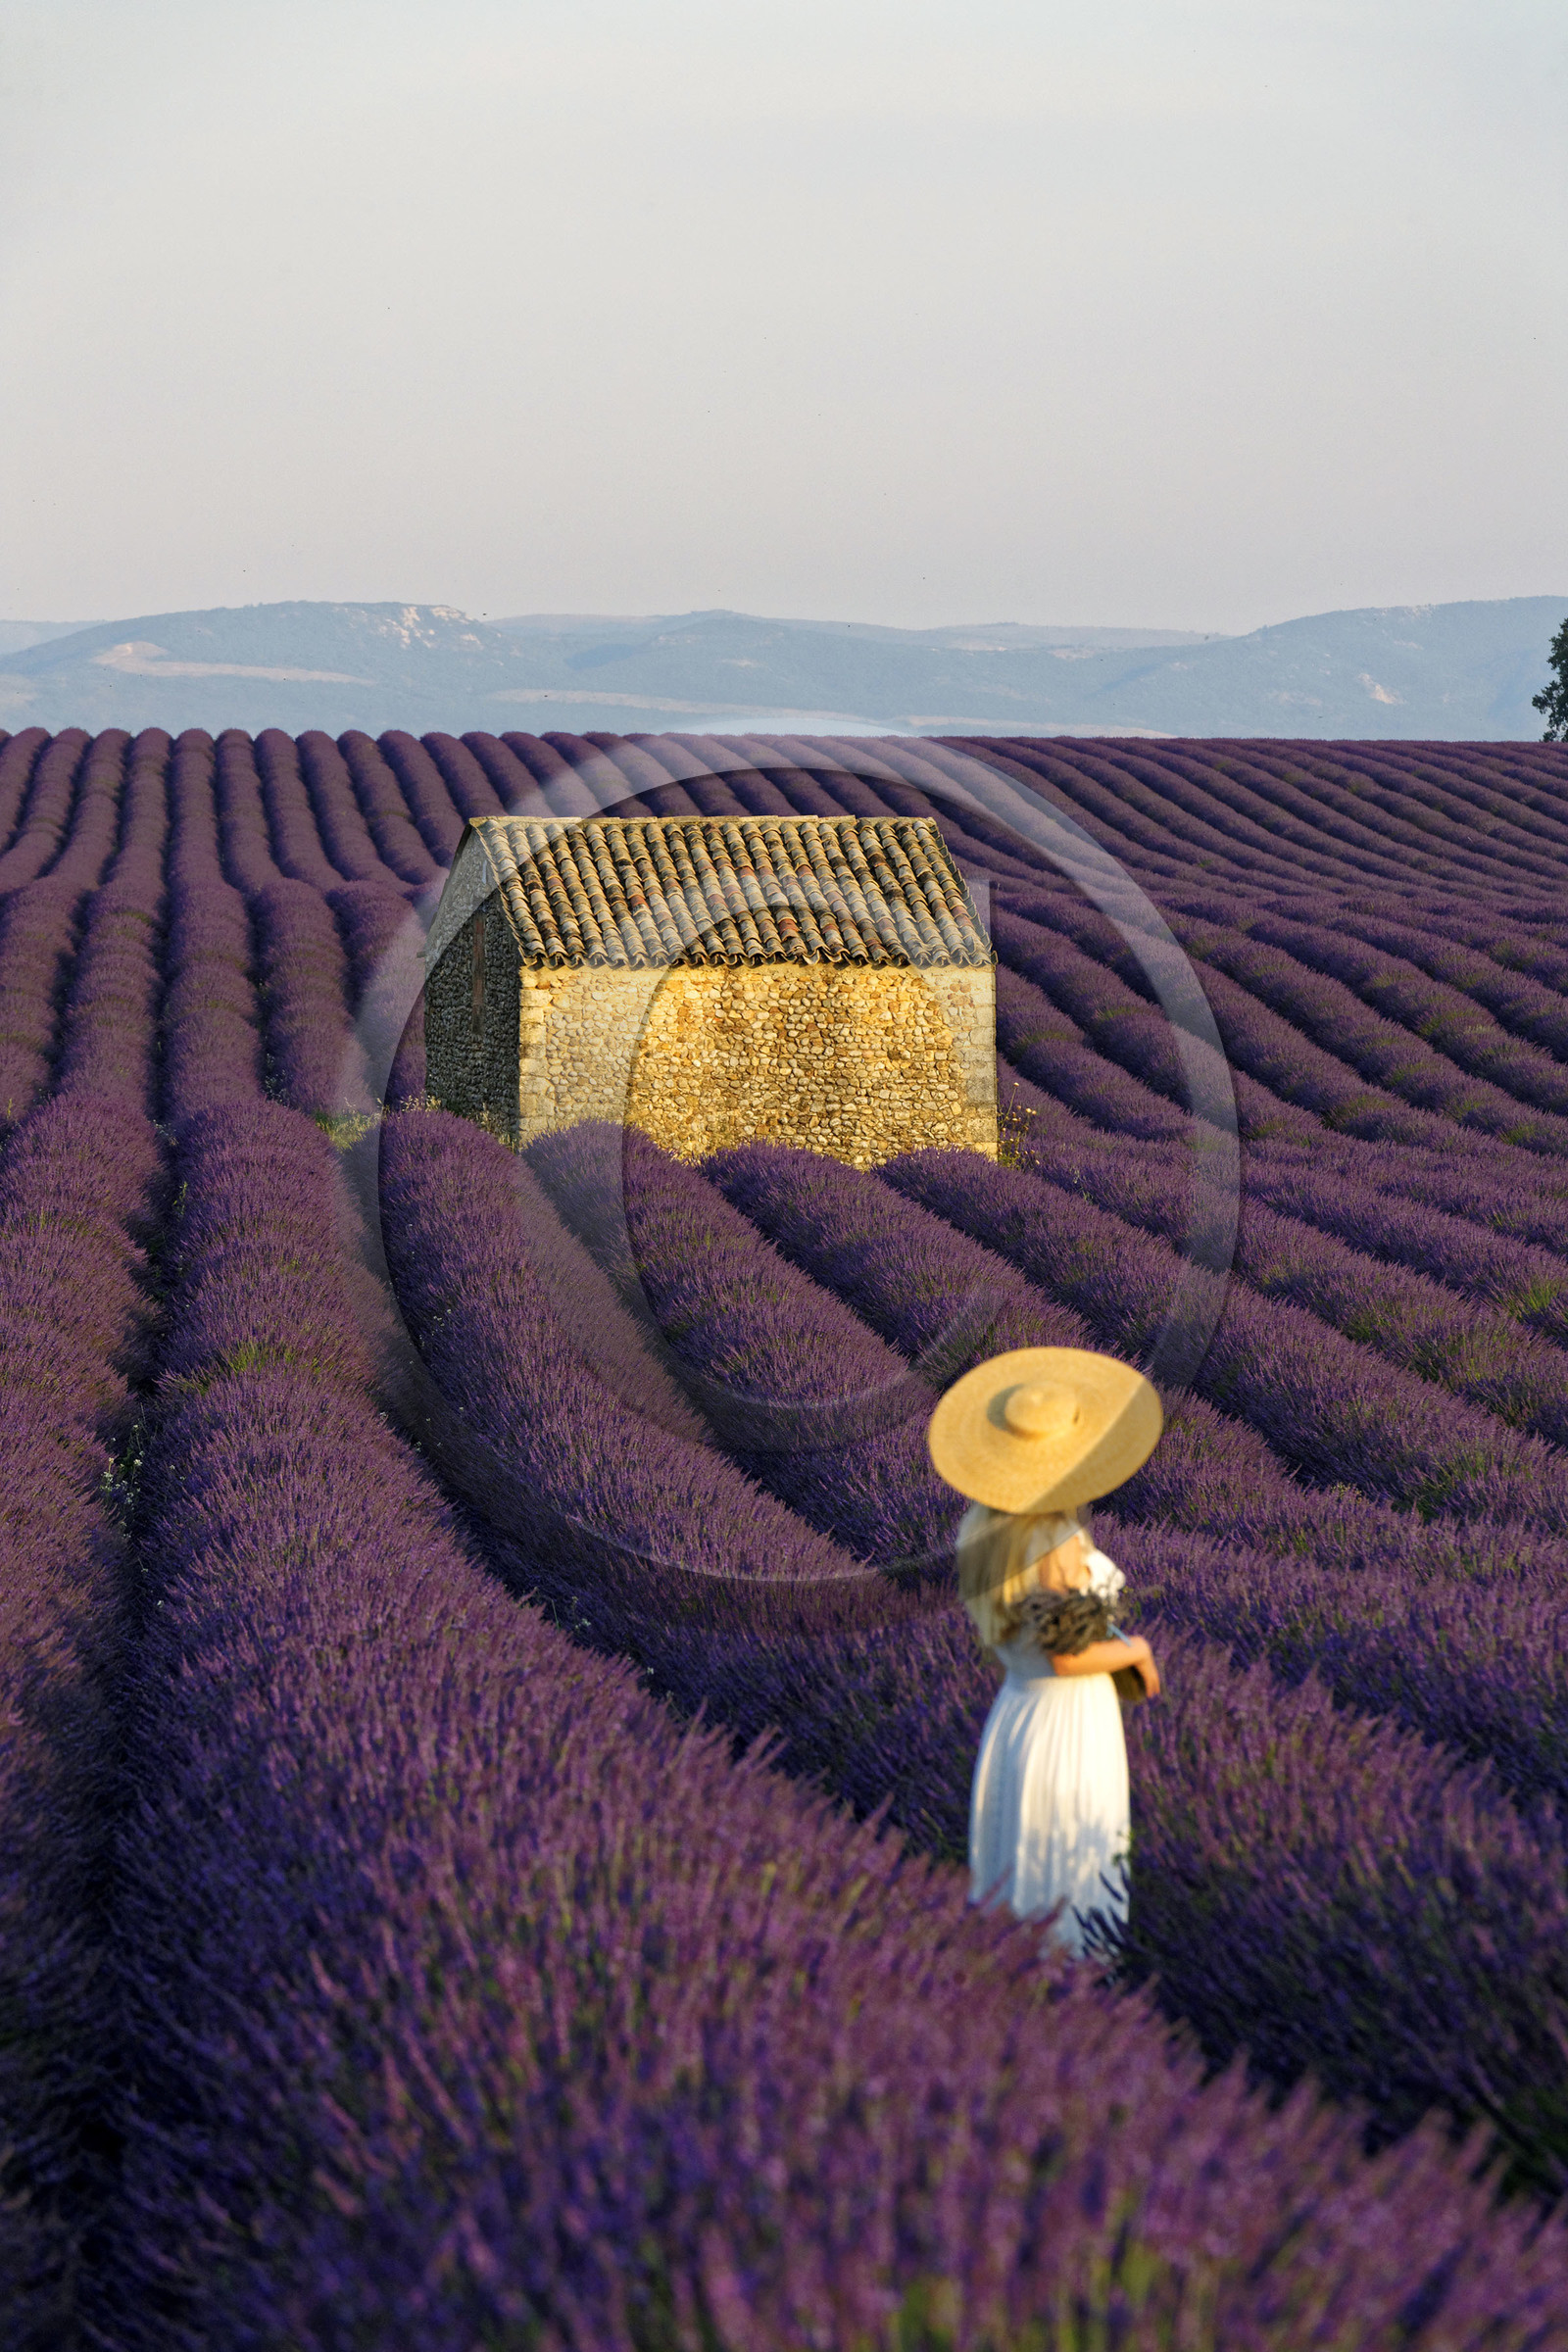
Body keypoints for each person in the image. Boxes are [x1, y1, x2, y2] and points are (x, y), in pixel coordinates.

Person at [927, 1346, 1164, 1959]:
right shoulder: (1055, 1539)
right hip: (1069, 1726)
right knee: (1067, 1871)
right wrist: (1135, 1651)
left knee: (1020, 1876)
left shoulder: (984, 1531)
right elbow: (1068, 1658)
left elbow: (1036, 1644)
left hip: (1018, 1715)